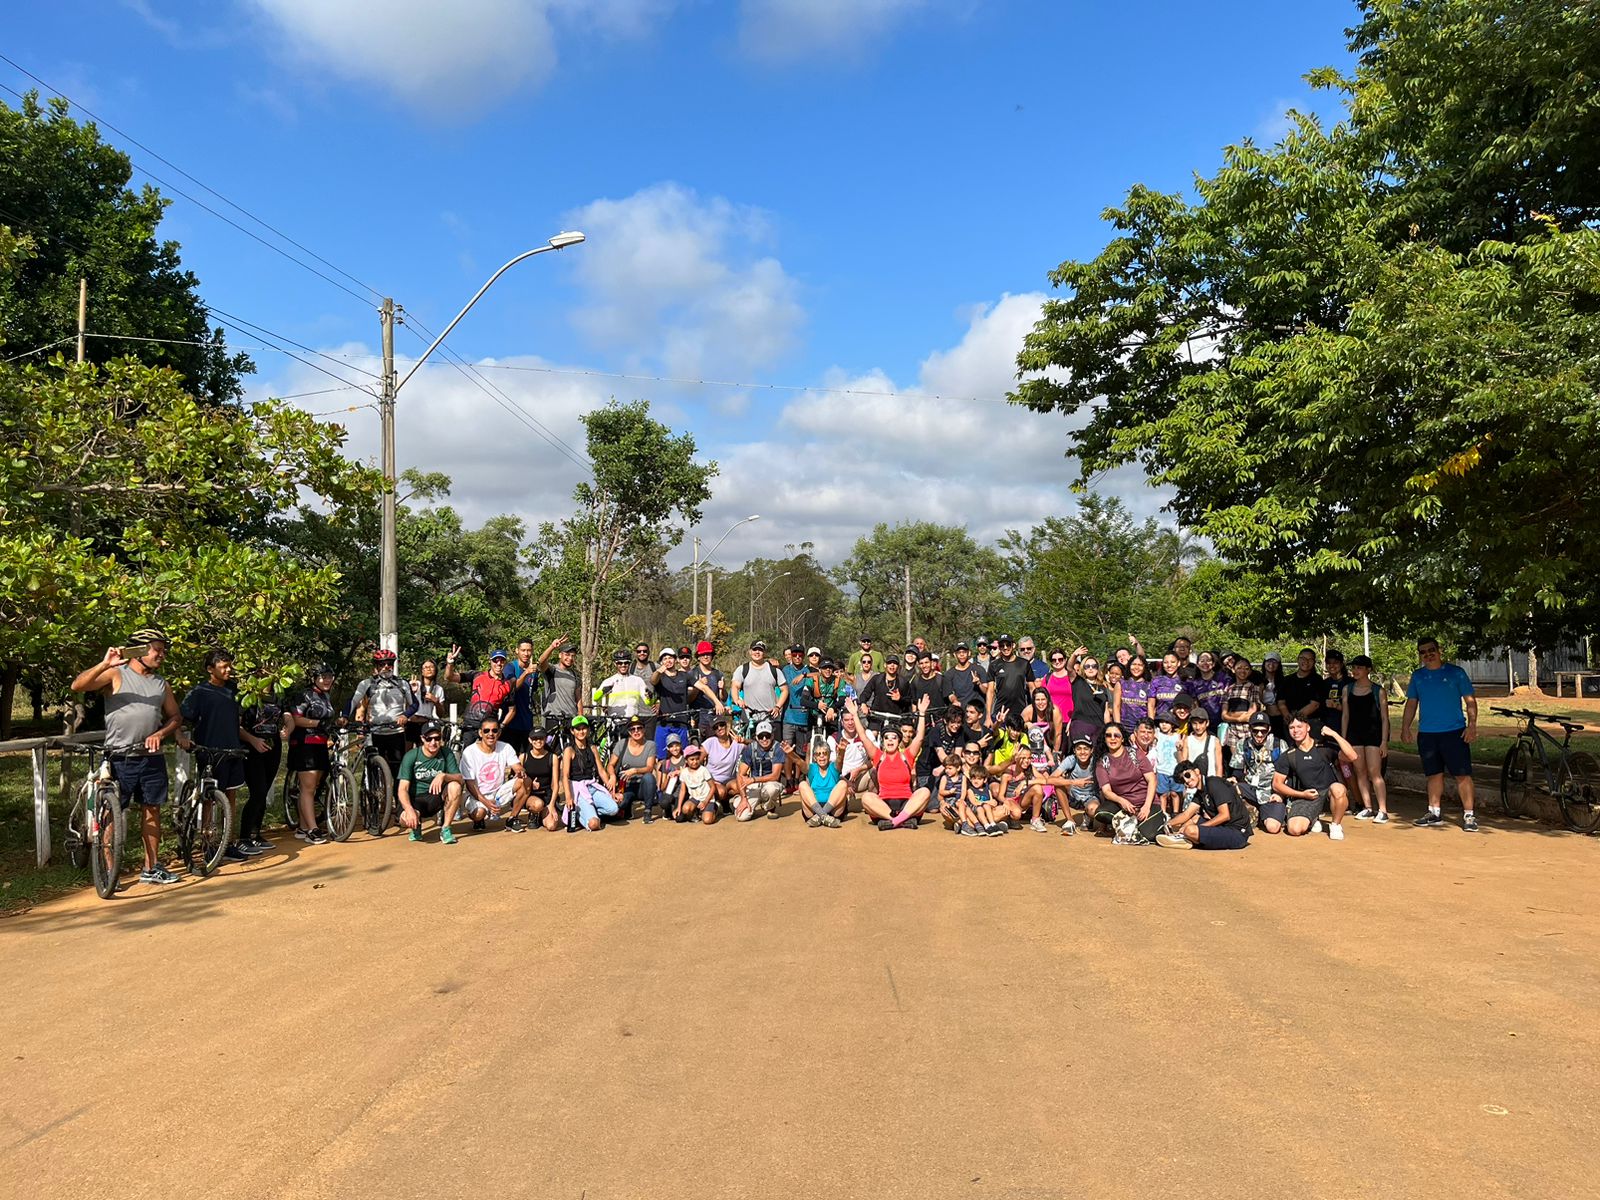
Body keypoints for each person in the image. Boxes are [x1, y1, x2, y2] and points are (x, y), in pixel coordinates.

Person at [71, 630, 185, 884]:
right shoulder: (116, 674)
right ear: (141, 650)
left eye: (163, 650)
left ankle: (151, 866)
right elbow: (77, 685)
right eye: (158, 649)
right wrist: (104, 663)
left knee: (152, 810)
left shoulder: (160, 683)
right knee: (112, 814)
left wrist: (162, 732)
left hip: (151, 757)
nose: (162, 654)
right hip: (120, 757)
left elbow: (176, 717)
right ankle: (109, 870)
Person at [178, 648, 262, 864]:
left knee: (231, 798)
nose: (228, 670)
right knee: (210, 800)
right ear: (210, 669)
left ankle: (227, 843)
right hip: (209, 752)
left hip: (233, 750)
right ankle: (208, 844)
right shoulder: (199, 692)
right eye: (223, 666)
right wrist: (180, 736)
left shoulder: (235, 690)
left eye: (229, 665)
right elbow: (182, 718)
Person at [1400, 637, 1479, 831]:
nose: (1428, 654)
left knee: (1462, 774)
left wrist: (1472, 725)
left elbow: (1470, 701)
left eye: (1431, 650)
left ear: (1439, 650)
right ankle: (1434, 812)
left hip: (1454, 732)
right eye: (1423, 652)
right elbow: (1411, 703)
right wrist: (1405, 727)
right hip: (1428, 733)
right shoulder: (1418, 676)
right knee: (1433, 774)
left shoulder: (1456, 673)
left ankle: (1469, 816)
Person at [849, 694, 931, 829]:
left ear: (899, 741)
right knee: (867, 797)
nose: (890, 740)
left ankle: (893, 821)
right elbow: (863, 737)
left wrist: (922, 713)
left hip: (907, 803)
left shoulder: (907, 756)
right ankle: (901, 820)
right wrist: (854, 714)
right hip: (884, 805)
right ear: (883, 741)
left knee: (924, 792)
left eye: (894, 738)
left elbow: (919, 738)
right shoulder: (878, 756)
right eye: (887, 738)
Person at [351, 648, 413, 826]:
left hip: (396, 733)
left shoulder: (402, 683)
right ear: (376, 666)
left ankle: (400, 810)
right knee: (372, 773)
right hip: (375, 733)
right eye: (382, 664)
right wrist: (343, 716)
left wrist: (406, 715)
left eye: (390, 664)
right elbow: (353, 701)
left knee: (398, 773)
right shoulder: (367, 684)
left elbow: (413, 704)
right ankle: (372, 810)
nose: (386, 666)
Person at [1273, 716, 1357, 840]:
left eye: (1299, 726)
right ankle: (1313, 819)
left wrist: (1334, 734)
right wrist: (1301, 794)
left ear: (1308, 727)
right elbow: (1277, 784)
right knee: (1294, 830)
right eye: (1291, 728)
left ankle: (1335, 825)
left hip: (1329, 794)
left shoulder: (1324, 747)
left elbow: (1352, 756)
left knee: (1338, 788)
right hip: (1306, 796)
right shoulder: (1289, 755)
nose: (1295, 730)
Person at [284, 664, 339, 845]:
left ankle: (303, 826)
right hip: (304, 744)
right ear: (314, 678)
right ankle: (312, 830)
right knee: (308, 788)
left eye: (329, 676)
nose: (327, 679)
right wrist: (318, 724)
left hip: (320, 744)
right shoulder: (304, 695)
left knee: (312, 787)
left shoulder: (326, 696)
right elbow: (296, 719)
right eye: (323, 676)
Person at [1156, 760, 1252, 851]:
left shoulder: (1214, 784)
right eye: (1182, 780)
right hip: (1224, 827)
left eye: (1187, 775)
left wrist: (1201, 827)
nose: (1187, 781)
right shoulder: (1200, 792)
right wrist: (1167, 824)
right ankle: (1184, 839)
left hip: (1237, 833)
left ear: (1197, 771)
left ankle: (1186, 838)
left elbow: (1224, 815)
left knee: (1190, 830)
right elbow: (1186, 814)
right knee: (1194, 819)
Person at [457, 718, 530, 834]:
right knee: (479, 814)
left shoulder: (505, 747)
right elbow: (469, 784)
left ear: (499, 733)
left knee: (525, 781)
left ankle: (512, 818)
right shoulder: (469, 752)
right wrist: (486, 802)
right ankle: (479, 819)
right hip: (477, 794)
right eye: (486, 731)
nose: (490, 734)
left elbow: (517, 766)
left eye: (494, 730)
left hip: (498, 793)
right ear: (480, 733)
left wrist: (520, 771)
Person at [238, 681, 286, 855]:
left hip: (273, 747)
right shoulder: (247, 695)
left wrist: (287, 727)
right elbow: (238, 725)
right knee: (257, 791)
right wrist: (253, 740)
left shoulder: (278, 695)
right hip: (253, 748)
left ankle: (255, 834)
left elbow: (286, 717)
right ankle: (243, 838)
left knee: (264, 792)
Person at [1091, 722, 1159, 841]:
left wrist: (1147, 806)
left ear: (1122, 739)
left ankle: (1146, 822)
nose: (1112, 738)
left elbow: (1152, 779)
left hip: (1146, 802)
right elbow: (1106, 791)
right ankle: (1131, 822)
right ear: (1104, 738)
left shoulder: (1135, 754)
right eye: (1108, 735)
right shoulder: (1102, 762)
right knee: (1100, 813)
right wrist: (1122, 801)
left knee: (1149, 835)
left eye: (1116, 735)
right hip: (1123, 806)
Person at [1343, 654, 1391, 823]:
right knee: (1359, 772)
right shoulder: (1347, 689)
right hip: (1354, 735)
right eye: (1354, 668)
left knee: (1374, 773)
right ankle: (1368, 807)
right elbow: (1346, 716)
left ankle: (1383, 810)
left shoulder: (1379, 691)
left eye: (1359, 668)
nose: (1355, 671)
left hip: (1373, 735)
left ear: (1368, 670)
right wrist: (1343, 740)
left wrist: (1384, 741)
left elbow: (1385, 718)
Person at [396, 722, 462, 842]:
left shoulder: (446, 753)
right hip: (414, 799)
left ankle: (446, 828)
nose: (433, 742)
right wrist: (409, 810)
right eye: (428, 739)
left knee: (455, 786)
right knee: (405, 819)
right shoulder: (411, 756)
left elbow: (460, 778)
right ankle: (416, 826)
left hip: (434, 798)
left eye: (437, 738)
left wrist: (444, 776)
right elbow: (402, 789)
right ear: (422, 738)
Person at [562, 715, 619, 832]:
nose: (581, 731)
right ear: (572, 731)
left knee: (614, 809)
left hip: (591, 786)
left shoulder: (592, 748)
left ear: (588, 730)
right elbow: (565, 776)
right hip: (578, 789)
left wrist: (611, 790)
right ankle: (581, 814)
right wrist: (568, 797)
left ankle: (589, 810)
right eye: (578, 729)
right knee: (594, 824)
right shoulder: (569, 750)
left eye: (584, 728)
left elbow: (601, 771)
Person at [779, 644, 817, 791]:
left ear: (803, 656)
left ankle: (797, 780)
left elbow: (821, 674)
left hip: (804, 716)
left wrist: (804, 675)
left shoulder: (808, 670)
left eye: (800, 655)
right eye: (794, 654)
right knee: (788, 750)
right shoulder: (785, 670)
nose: (797, 657)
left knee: (801, 752)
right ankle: (788, 781)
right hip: (788, 716)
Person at [735, 719, 788, 821]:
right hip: (754, 786)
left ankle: (770, 807)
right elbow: (740, 774)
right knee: (741, 817)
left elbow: (775, 776)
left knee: (772, 789)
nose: (764, 739)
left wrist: (753, 779)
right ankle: (742, 802)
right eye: (761, 736)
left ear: (772, 736)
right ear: (756, 737)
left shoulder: (777, 748)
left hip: (769, 783)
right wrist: (743, 798)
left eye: (767, 735)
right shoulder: (750, 748)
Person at [610, 715, 659, 823]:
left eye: (639, 728)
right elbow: (610, 765)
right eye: (633, 729)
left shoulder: (650, 745)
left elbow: (650, 767)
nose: (636, 731)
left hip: (642, 785)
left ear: (644, 730)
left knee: (649, 777)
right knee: (621, 804)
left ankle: (647, 810)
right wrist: (612, 776)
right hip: (625, 786)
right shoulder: (621, 744)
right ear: (629, 732)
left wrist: (635, 771)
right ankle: (627, 808)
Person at [651, 647, 695, 760]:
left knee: (682, 756)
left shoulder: (684, 676)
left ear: (675, 660)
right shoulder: (660, 677)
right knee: (661, 758)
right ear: (661, 662)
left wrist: (716, 701)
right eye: (665, 658)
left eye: (670, 658)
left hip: (681, 723)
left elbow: (702, 687)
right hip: (663, 723)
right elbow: (653, 680)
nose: (668, 661)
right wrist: (658, 671)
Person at [732, 640, 787, 731]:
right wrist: (737, 700)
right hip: (750, 720)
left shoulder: (774, 670)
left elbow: (785, 690)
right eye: (754, 650)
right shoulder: (742, 669)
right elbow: (735, 686)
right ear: (750, 652)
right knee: (750, 745)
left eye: (760, 650)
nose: (757, 652)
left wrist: (778, 706)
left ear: (764, 653)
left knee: (773, 745)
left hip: (771, 719)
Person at [501, 639, 544, 754]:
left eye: (529, 650)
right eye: (523, 650)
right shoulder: (510, 667)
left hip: (527, 723)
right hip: (510, 724)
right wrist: (526, 673)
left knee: (525, 759)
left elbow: (531, 691)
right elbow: (512, 688)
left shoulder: (534, 671)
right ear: (517, 651)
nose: (526, 653)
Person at [1220, 656, 1264, 767]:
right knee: (1237, 762)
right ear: (1234, 670)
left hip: (1248, 731)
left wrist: (1232, 715)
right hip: (1233, 732)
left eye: (1246, 668)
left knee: (1250, 761)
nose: (1242, 671)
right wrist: (1239, 717)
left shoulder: (1253, 688)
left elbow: (1251, 714)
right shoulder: (1228, 689)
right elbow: (1223, 715)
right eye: (1239, 668)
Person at [517, 721, 560, 831]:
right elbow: (517, 782)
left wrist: (551, 805)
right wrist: (530, 783)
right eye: (535, 738)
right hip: (530, 796)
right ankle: (533, 813)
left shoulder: (553, 757)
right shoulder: (523, 757)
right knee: (537, 804)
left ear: (546, 739)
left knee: (552, 826)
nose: (538, 741)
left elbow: (555, 784)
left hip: (547, 795)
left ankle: (542, 814)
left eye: (541, 738)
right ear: (530, 740)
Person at [986, 635, 1032, 724]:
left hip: (1021, 711)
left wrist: (1034, 711)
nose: (1005, 648)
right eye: (1002, 646)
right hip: (1000, 711)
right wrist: (988, 717)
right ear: (999, 647)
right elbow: (990, 691)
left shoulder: (1024, 664)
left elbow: (1032, 688)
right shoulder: (994, 665)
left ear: (1013, 645)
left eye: (1008, 645)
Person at [799, 740, 847, 828]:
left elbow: (839, 761)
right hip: (812, 809)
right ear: (814, 757)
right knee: (802, 784)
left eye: (825, 753)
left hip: (834, 810)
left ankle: (820, 815)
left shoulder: (833, 767)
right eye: (818, 754)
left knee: (843, 783)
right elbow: (799, 762)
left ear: (829, 755)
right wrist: (790, 753)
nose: (821, 756)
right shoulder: (812, 768)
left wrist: (842, 751)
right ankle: (824, 816)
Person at [1276, 648, 1324, 733]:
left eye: (1310, 659)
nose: (1306, 661)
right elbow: (1281, 702)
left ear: (1314, 662)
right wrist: (1288, 718)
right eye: (1303, 658)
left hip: (1311, 722)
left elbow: (1314, 704)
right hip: (1289, 723)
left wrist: (1296, 718)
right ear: (1298, 660)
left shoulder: (1317, 680)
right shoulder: (1287, 680)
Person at [686, 640, 728, 734]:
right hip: (698, 716)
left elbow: (723, 698)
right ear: (698, 657)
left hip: (714, 715)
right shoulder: (692, 674)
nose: (705, 657)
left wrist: (722, 689)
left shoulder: (718, 674)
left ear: (712, 656)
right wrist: (698, 687)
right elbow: (688, 700)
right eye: (703, 654)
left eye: (708, 654)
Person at [406, 658, 446, 747]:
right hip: (411, 723)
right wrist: (412, 692)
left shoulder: (438, 689)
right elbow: (405, 705)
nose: (429, 669)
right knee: (408, 753)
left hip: (426, 724)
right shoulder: (415, 684)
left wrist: (436, 701)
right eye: (426, 667)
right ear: (422, 671)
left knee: (424, 753)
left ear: (436, 670)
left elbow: (441, 714)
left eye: (432, 667)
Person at [675, 744, 716, 824]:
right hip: (694, 798)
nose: (695, 762)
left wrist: (705, 801)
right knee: (685, 809)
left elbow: (713, 787)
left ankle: (715, 809)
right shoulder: (684, 772)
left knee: (707, 820)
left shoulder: (703, 770)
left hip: (707, 798)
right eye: (692, 759)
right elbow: (683, 790)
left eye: (697, 759)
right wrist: (678, 807)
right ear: (686, 760)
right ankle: (696, 812)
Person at [1178, 708, 1223, 778]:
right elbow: (1184, 764)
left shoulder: (1214, 741)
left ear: (1207, 723)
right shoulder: (1188, 740)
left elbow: (1219, 765)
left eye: (1201, 723)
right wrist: (1179, 750)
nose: (1198, 727)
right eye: (1194, 723)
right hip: (1193, 781)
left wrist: (1219, 782)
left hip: (1211, 780)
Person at [1116, 655, 1151, 737]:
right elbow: (1116, 706)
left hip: (1142, 729)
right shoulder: (1121, 683)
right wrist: (1118, 726)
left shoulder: (1149, 685)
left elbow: (1151, 708)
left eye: (1140, 665)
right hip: (1124, 727)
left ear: (1144, 667)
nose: (1136, 667)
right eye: (1134, 664)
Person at [1260, 652, 1288, 740]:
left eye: (1274, 662)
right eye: (1268, 661)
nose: (1271, 664)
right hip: (1265, 717)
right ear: (1264, 663)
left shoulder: (1284, 681)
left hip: (1281, 717)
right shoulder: (1258, 680)